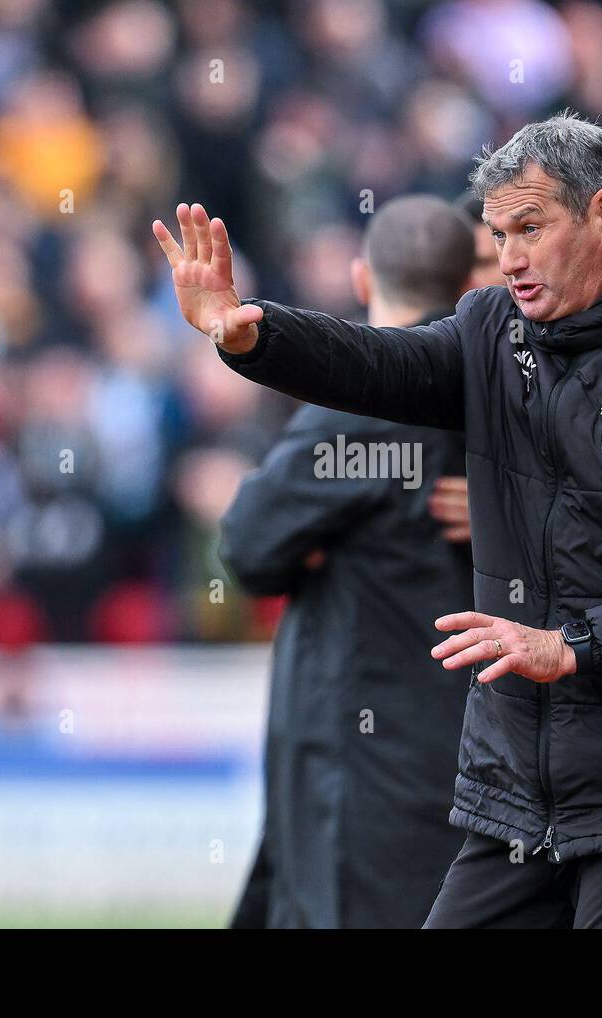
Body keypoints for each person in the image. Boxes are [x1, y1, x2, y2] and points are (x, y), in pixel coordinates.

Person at [153, 111, 602, 929]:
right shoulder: (494, 332)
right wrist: (252, 336)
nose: (510, 259)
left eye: (530, 227)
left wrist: (571, 646)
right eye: (498, 234)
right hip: (517, 800)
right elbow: (382, 366)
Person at [219, 195, 476, 928]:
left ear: (364, 281)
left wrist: (315, 543)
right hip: (468, 743)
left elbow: (248, 546)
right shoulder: (497, 392)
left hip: (364, 761)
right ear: (466, 291)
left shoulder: (363, 403)